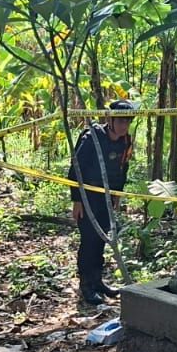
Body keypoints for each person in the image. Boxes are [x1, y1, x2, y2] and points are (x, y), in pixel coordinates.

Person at [68, 98, 136, 309]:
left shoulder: (126, 141)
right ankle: (86, 285)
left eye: (128, 121)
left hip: (107, 196)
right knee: (89, 239)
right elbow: (75, 169)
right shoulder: (92, 138)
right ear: (110, 120)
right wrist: (77, 199)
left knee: (101, 239)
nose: (124, 126)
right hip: (88, 196)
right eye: (120, 121)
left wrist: (117, 195)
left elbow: (123, 168)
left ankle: (97, 281)